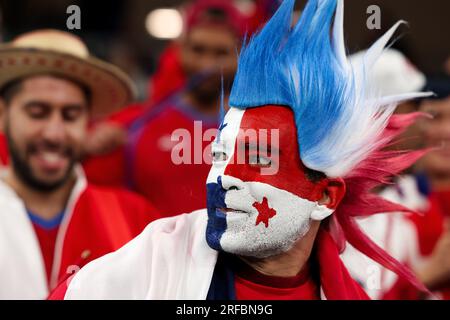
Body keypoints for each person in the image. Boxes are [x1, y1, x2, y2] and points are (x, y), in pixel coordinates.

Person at [54, 0, 430, 300]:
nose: (222, 178)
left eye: (257, 158)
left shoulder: (358, 286)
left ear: (326, 195)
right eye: (219, 154)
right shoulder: (143, 268)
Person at [0, 29, 159, 299]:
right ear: (3, 115)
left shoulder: (136, 220)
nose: (54, 133)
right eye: (37, 113)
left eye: (71, 115)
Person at [83, 0, 246, 216]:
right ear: (178, 49)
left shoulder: (256, 129)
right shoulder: (132, 127)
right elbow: (91, 200)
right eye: (198, 50)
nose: (207, 64)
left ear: (240, 56)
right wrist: (84, 148)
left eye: (221, 53)